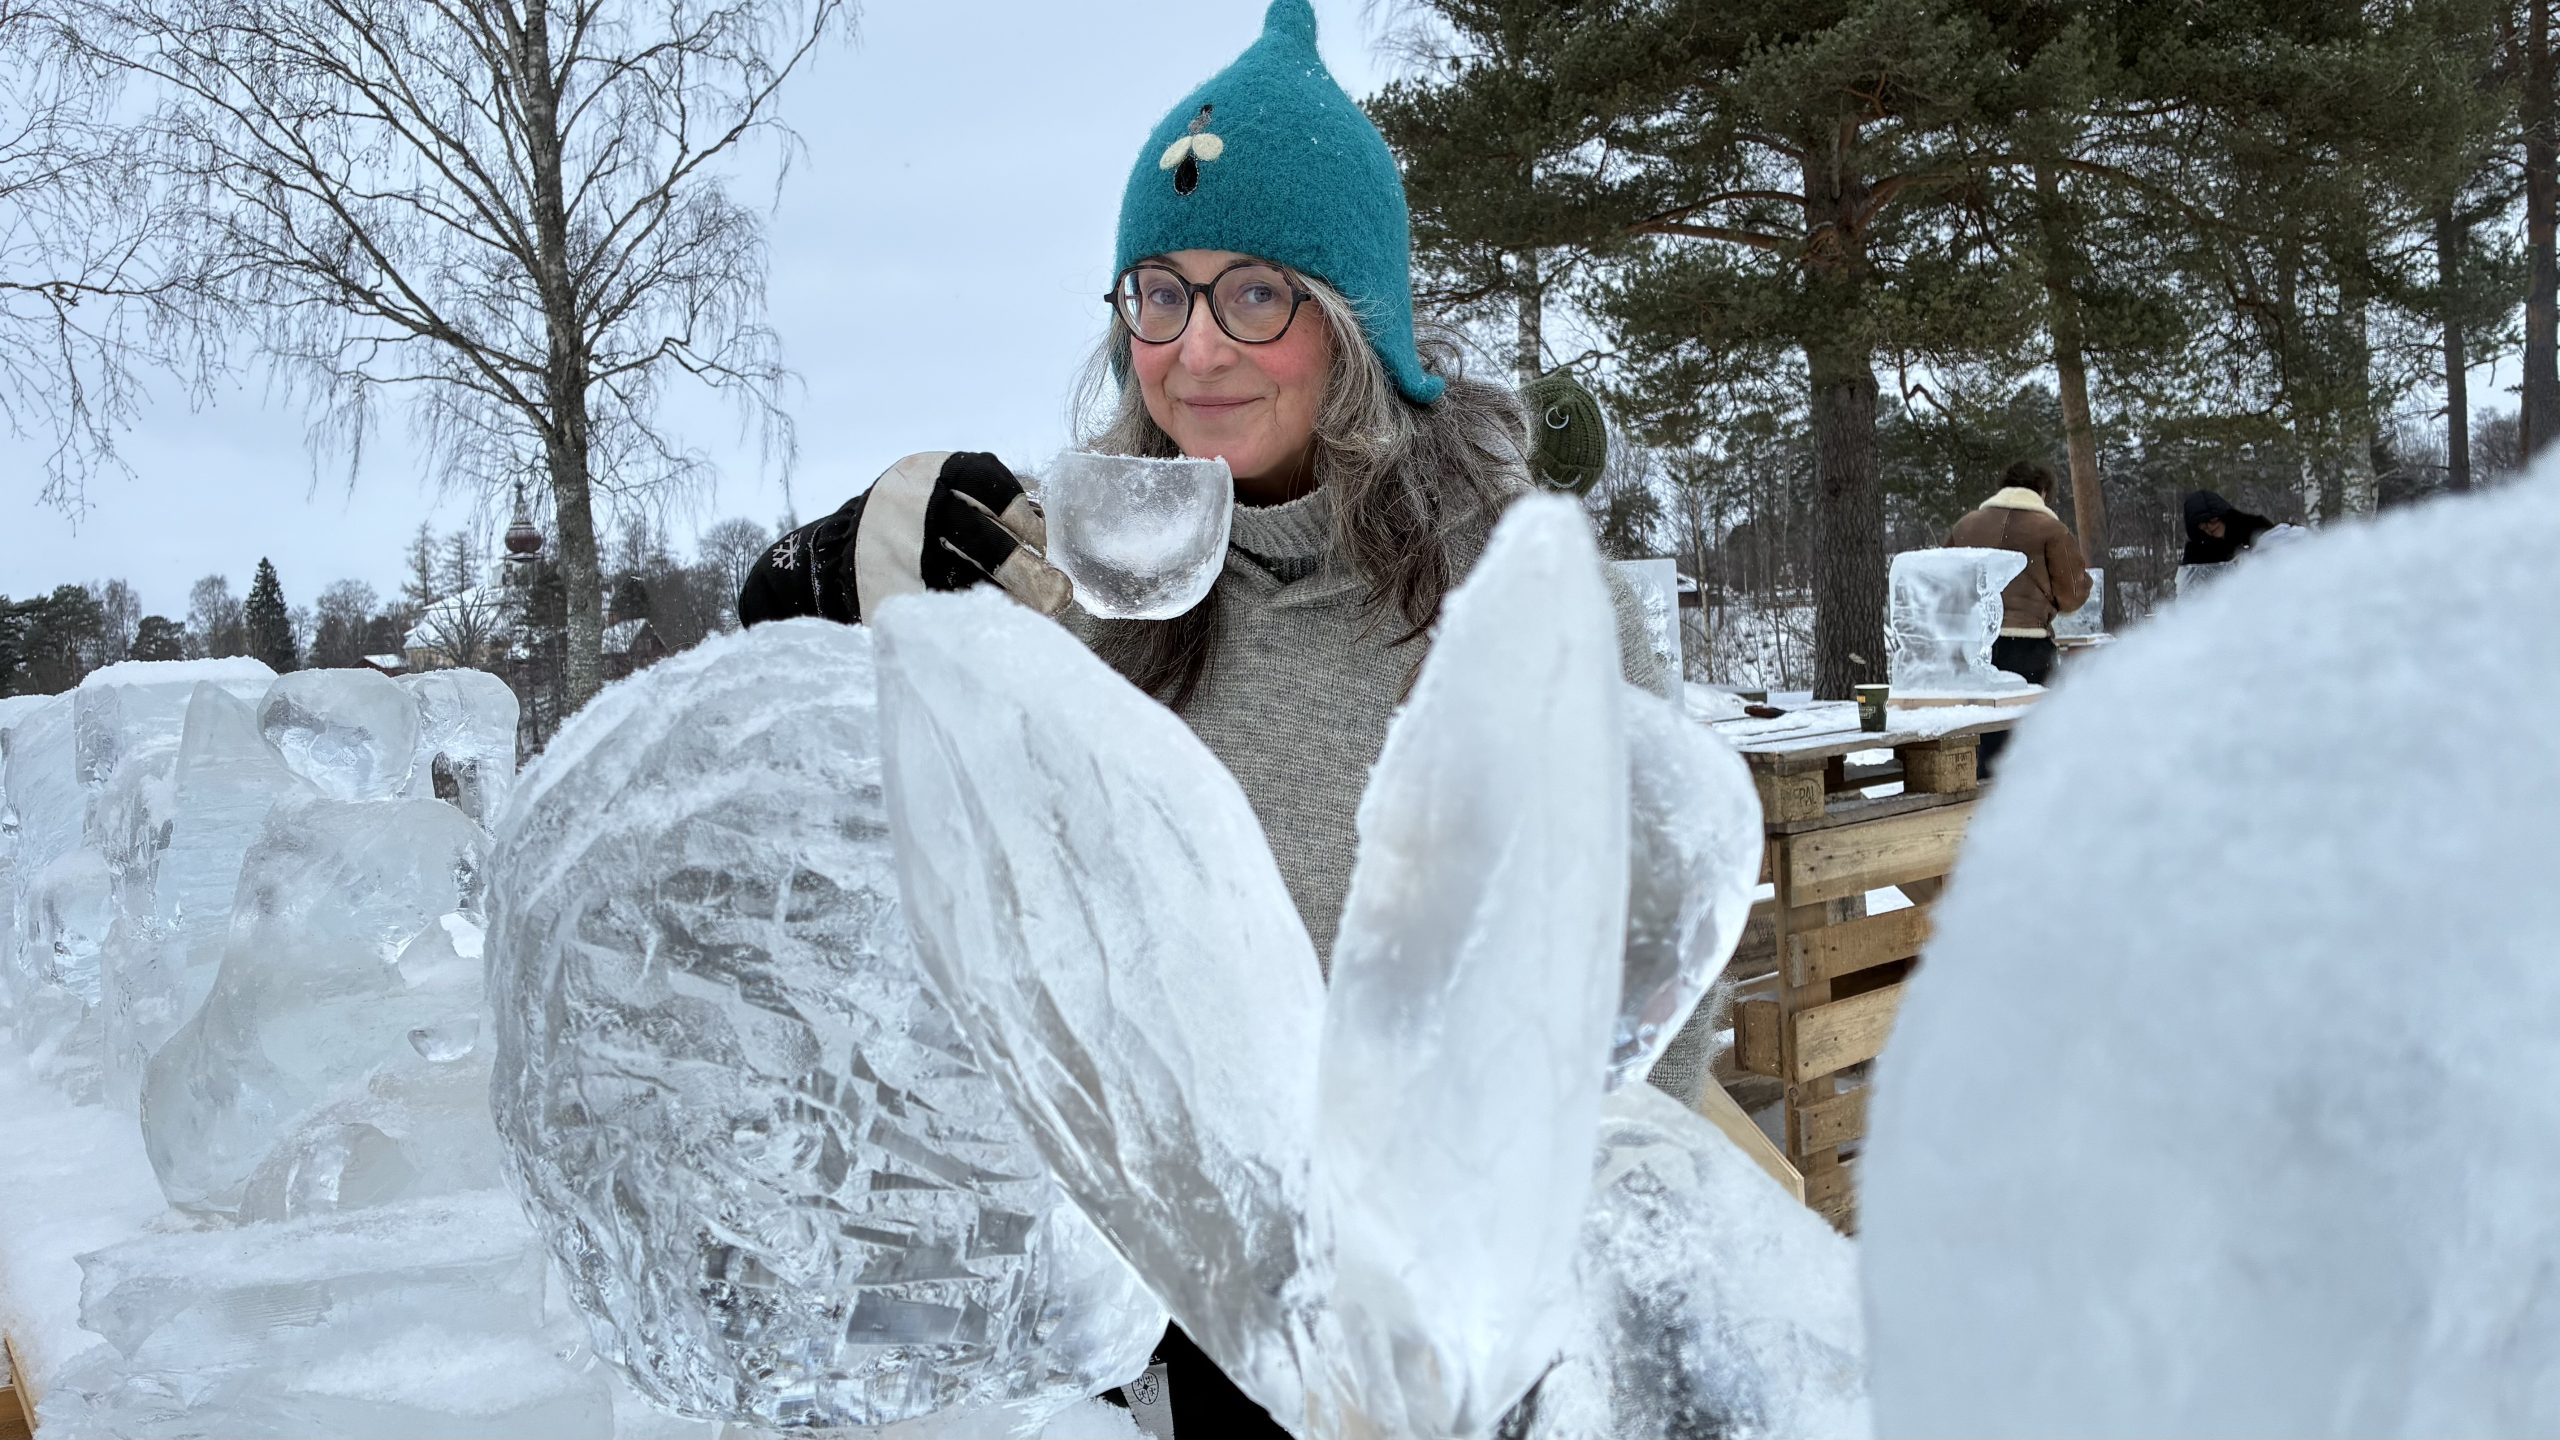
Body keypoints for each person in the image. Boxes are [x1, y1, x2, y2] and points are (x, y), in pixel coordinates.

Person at [737, 2, 1661, 1431]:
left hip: (1467, 1335)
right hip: (1207, 1328)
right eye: (1157, 293)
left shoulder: (1510, 593)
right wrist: (809, 604)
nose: (1195, 348)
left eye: (1254, 294)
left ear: (1354, 323)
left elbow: (1657, 969)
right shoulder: (1098, 600)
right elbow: (897, 875)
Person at [1944, 459, 2092, 778]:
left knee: (1978, 738)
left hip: (1971, 648)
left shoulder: (1966, 525)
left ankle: (1972, 809)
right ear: (2042, 491)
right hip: (2027, 647)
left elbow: (1944, 582)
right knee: (2032, 738)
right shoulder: (2051, 530)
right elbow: (2072, 594)